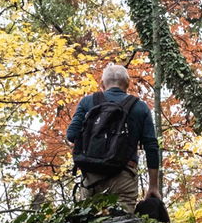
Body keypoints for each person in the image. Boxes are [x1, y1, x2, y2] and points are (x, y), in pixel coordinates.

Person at [65, 63, 162, 208]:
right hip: (123, 176)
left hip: (91, 177)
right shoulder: (140, 107)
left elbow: (71, 135)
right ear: (127, 84)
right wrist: (153, 186)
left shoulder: (87, 102)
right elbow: (151, 147)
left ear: (102, 84)